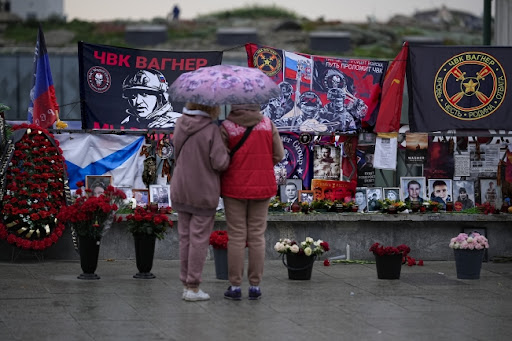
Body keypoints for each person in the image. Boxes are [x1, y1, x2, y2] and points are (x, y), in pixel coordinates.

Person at [220, 103, 284, 301]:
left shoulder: (227, 127)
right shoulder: (267, 124)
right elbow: (279, 155)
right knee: (257, 236)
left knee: (237, 236)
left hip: (234, 188)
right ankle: (255, 286)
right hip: (262, 187)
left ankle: (235, 286)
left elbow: (221, 160)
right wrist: (262, 166)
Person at [171, 102, 230, 302]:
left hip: (181, 187)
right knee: (199, 239)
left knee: (185, 238)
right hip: (203, 191)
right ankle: (193, 287)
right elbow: (220, 162)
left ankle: (185, 284)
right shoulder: (211, 130)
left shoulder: (180, 123)